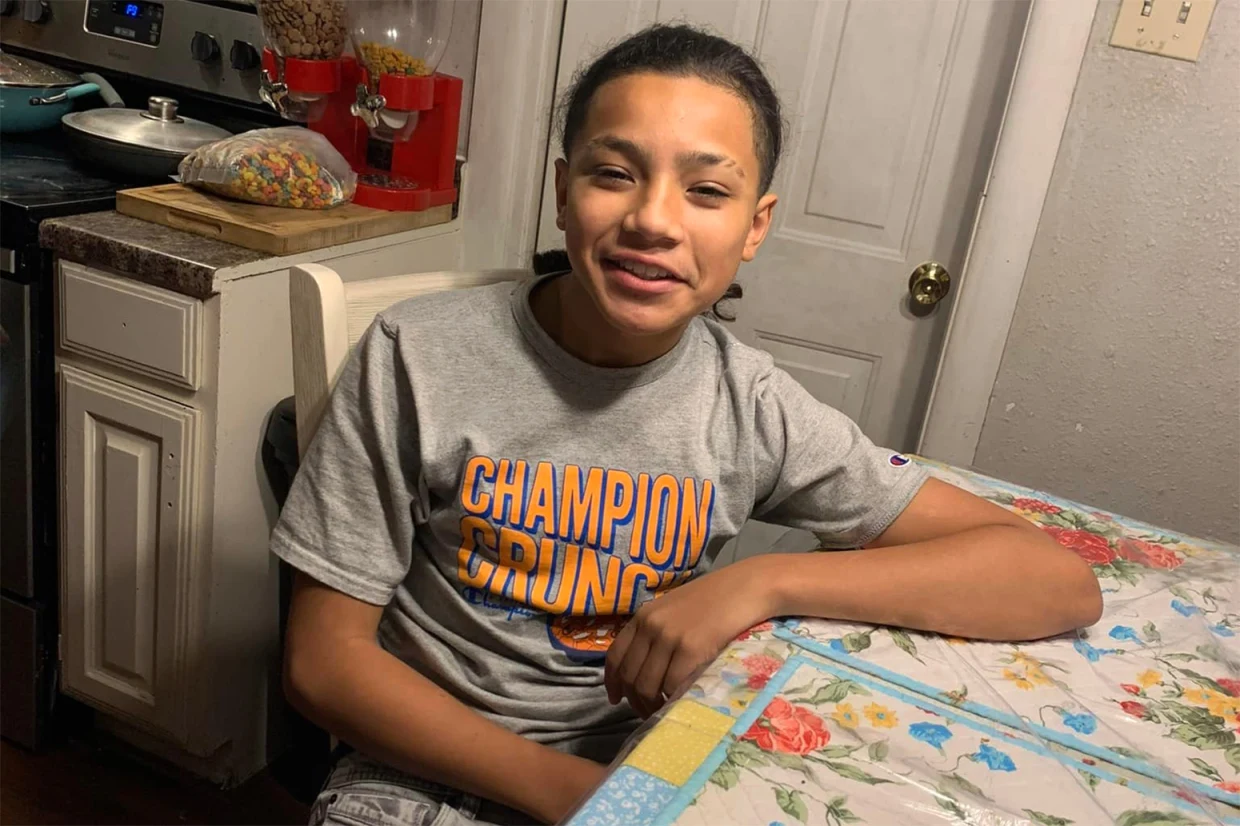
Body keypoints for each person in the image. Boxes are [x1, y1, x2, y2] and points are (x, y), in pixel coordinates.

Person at [273, 23, 1103, 826]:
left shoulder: (752, 406)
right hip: (421, 774)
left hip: (645, 763)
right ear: (561, 191)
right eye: (614, 173)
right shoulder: (417, 354)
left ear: (755, 226)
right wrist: (575, 796)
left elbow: (1054, 581)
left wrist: (760, 582)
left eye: (707, 190)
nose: (655, 220)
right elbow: (321, 663)